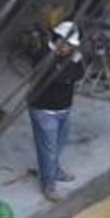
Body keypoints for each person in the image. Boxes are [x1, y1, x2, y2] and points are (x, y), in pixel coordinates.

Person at [29, 21, 85, 202]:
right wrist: (73, 64)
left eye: (72, 46)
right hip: (45, 110)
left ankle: (54, 169)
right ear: (58, 39)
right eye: (68, 45)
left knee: (58, 145)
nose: (69, 49)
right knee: (49, 150)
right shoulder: (44, 56)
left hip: (63, 108)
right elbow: (61, 78)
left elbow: (79, 75)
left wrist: (74, 65)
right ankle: (48, 185)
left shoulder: (69, 57)